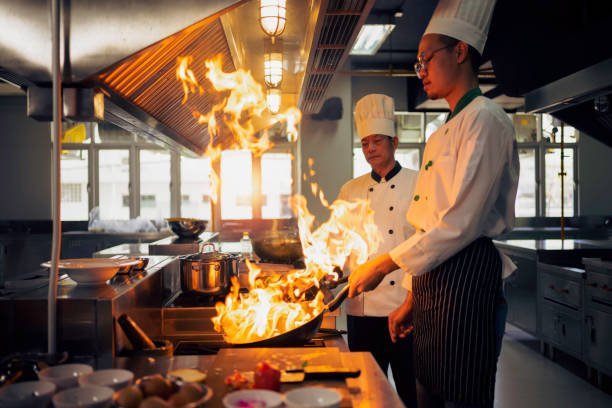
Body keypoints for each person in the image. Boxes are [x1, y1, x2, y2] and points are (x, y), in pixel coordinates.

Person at [347, 1, 520, 407]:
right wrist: (412, 297)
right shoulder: (445, 130)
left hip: (466, 274)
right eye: (418, 63)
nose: (420, 70)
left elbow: (460, 222)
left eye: (426, 59)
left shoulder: (486, 119)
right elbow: (429, 228)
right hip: (433, 280)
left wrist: (386, 263)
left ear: (460, 52)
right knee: (426, 387)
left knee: (460, 393)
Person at [337, 94, 418, 407]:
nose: (370, 149)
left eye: (377, 141)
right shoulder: (350, 189)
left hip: (405, 309)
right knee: (366, 394)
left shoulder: (417, 183)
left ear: (394, 142)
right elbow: (342, 246)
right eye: (365, 142)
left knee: (411, 392)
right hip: (362, 311)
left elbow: (424, 246)